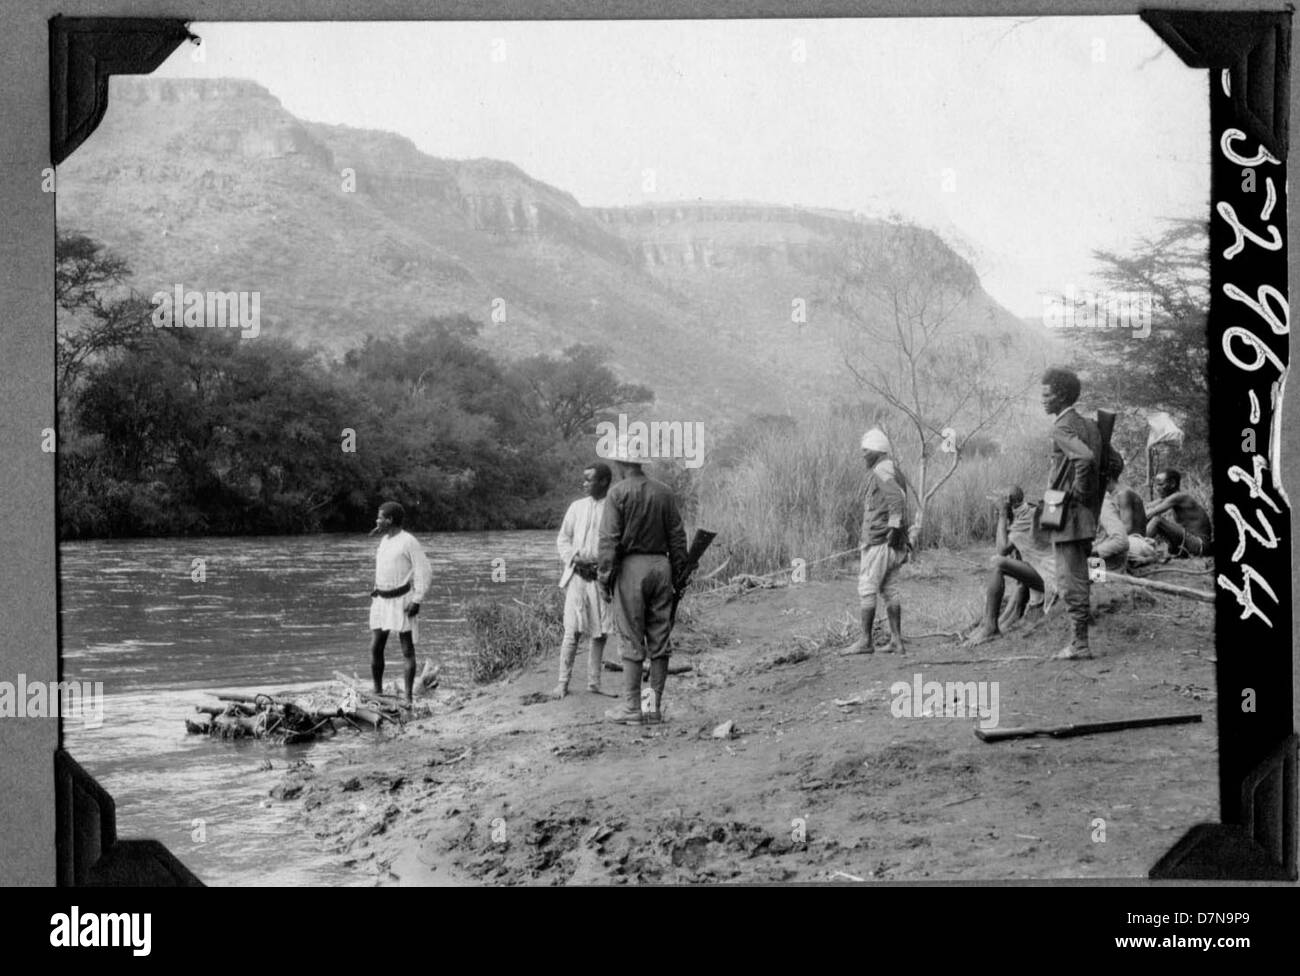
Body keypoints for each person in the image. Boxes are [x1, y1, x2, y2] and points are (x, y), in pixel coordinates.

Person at [597, 440, 688, 725]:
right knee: (660, 639)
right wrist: (679, 574)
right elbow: (677, 537)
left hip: (631, 569)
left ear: (621, 465)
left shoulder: (617, 493)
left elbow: (609, 541)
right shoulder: (665, 492)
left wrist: (604, 577)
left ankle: (632, 709)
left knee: (631, 638)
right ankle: (653, 708)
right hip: (662, 567)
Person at [1041, 367, 1104, 660]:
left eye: (1047, 394)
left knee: (1069, 579)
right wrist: (1092, 495)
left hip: (1067, 512)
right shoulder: (1091, 426)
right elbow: (1113, 463)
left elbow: (1086, 458)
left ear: (1062, 395)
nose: (1043, 400)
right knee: (1082, 573)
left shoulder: (1061, 427)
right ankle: (1082, 635)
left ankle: (1079, 644)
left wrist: (1079, 491)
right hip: (1086, 514)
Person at [841, 428, 914, 656]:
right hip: (893, 544)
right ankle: (896, 641)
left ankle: (865, 641)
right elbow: (899, 500)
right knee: (890, 588)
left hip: (880, 541)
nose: (863, 455)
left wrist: (892, 528)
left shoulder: (882, 470)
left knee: (867, 587)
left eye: (866, 451)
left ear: (877, 451)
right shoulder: (893, 469)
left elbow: (896, 500)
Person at [963, 486, 1055, 646]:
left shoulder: (1026, 517)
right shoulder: (1025, 513)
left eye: (997, 509)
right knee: (1004, 569)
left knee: (997, 562)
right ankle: (989, 624)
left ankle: (990, 627)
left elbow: (1001, 549)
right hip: (1047, 574)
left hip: (1052, 579)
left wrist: (1003, 514)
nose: (995, 512)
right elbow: (1021, 585)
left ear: (1008, 505)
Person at [553, 462, 614, 699]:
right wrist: (575, 559)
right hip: (577, 575)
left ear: (604, 482)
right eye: (585, 479)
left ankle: (594, 682)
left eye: (590, 480)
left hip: (601, 577)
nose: (585, 484)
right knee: (572, 631)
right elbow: (563, 539)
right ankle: (562, 683)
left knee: (599, 633)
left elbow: (618, 543)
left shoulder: (613, 508)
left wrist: (604, 567)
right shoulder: (576, 507)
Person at [368, 501, 431, 706]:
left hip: (402, 601)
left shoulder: (409, 541)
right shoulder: (384, 540)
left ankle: (408, 697)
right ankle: (377, 691)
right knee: (376, 647)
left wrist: (417, 599)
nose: (377, 521)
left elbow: (424, 570)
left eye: (380, 517)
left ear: (390, 520)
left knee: (407, 649)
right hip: (381, 600)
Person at [1144, 469, 1213, 557]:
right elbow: (1147, 507)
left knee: (1157, 520)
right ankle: (1137, 546)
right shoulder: (1170, 498)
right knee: (1155, 520)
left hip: (1199, 545)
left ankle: (1136, 547)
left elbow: (1149, 514)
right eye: (1156, 485)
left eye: (1161, 484)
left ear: (1172, 484)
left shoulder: (1179, 497)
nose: (1157, 488)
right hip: (1190, 542)